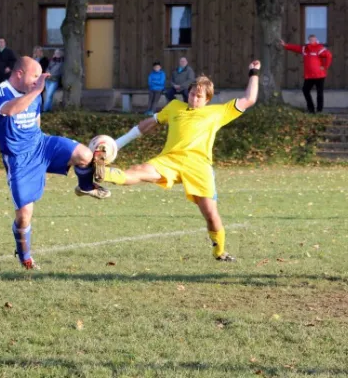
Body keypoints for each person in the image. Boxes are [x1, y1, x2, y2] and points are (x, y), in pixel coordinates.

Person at [95, 60, 261, 262]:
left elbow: (250, 98)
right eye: (192, 94)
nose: (193, 99)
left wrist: (253, 72)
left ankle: (220, 252)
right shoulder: (175, 106)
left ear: (207, 99)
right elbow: (149, 124)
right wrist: (118, 144)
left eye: (199, 96)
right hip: (170, 160)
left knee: (210, 215)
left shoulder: (218, 112)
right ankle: (102, 172)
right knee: (139, 170)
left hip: (199, 166)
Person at [0, 57, 111, 270]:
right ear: (19, 74)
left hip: (41, 144)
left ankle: (85, 186)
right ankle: (25, 256)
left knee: (84, 155)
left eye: (39, 77)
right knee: (24, 217)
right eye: (34, 76)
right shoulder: (1, 91)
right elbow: (10, 110)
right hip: (19, 159)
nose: (38, 81)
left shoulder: (33, 93)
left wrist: (35, 95)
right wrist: (35, 91)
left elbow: (36, 120)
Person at [281, 35, 332, 113]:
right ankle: (311, 109)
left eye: (313, 39)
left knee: (319, 93)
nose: (312, 41)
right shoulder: (305, 49)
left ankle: (319, 110)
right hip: (309, 76)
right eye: (310, 39)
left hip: (319, 75)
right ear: (308, 40)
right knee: (305, 90)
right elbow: (296, 48)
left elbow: (329, 56)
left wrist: (325, 67)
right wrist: (286, 45)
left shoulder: (320, 48)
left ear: (316, 40)